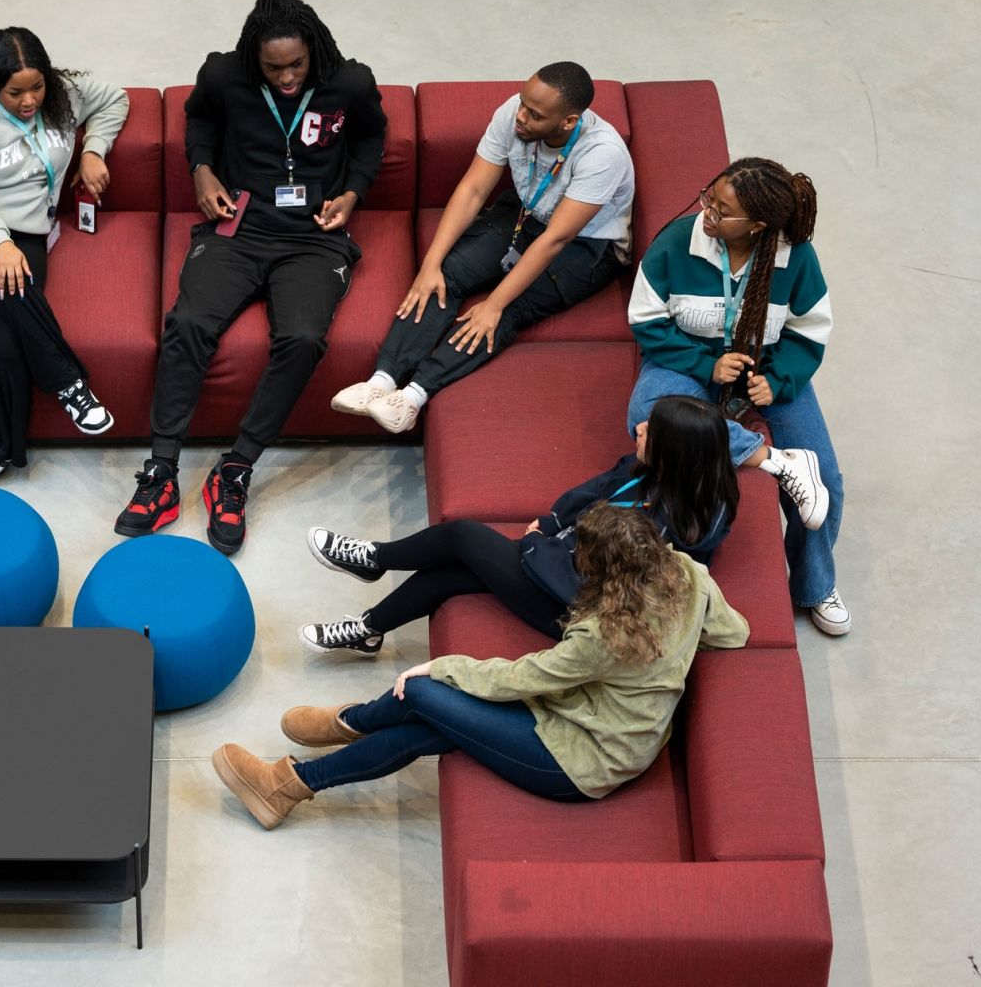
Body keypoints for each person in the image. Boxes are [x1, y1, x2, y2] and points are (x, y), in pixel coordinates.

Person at [210, 507, 749, 829]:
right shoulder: (687, 572)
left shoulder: (603, 635)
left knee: (423, 697)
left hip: (583, 761)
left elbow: (523, 677)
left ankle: (332, 739)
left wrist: (439, 667)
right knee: (429, 725)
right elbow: (735, 633)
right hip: (588, 721)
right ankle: (296, 777)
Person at [116, 0, 387, 554]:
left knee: (305, 337)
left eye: (295, 65)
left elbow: (370, 137)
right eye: (273, 68)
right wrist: (202, 170)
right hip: (238, 227)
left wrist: (355, 193)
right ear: (253, 58)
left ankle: (235, 470)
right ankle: (162, 472)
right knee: (189, 322)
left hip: (314, 238)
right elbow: (199, 121)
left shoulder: (350, 82)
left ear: (313, 48)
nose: (286, 79)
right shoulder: (224, 76)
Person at [299, 395, 738, 655]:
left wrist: (532, 549)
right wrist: (548, 525)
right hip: (556, 561)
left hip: (572, 607)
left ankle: (374, 560)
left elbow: (601, 585)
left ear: (675, 452)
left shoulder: (678, 531)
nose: (639, 427)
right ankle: (367, 629)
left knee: (460, 535)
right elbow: (591, 491)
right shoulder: (650, 470)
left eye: (651, 429)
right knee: (451, 573)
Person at [331, 62, 635, 432]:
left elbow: (556, 238)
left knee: (506, 310)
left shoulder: (602, 153)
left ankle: (412, 396)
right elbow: (473, 189)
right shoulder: (514, 113)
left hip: (587, 243)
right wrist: (430, 264)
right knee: (445, 275)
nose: (520, 117)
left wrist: (494, 303)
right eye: (522, 104)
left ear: (568, 122)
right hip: (525, 213)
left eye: (534, 115)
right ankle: (381, 381)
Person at [626, 158, 848, 635]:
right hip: (684, 360)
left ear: (758, 225)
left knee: (826, 476)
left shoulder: (796, 258)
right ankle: (774, 461)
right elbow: (646, 319)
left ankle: (815, 586)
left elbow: (809, 330)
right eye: (711, 196)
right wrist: (705, 364)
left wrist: (780, 379)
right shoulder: (676, 242)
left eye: (722, 210)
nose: (708, 212)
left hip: (764, 370)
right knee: (648, 417)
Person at [0, 27, 129, 486]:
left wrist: (93, 150)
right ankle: (71, 384)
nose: (30, 100)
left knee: (1, 339)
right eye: (15, 93)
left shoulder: (64, 94)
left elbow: (115, 98)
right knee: (14, 286)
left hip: (28, 233)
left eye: (37, 86)